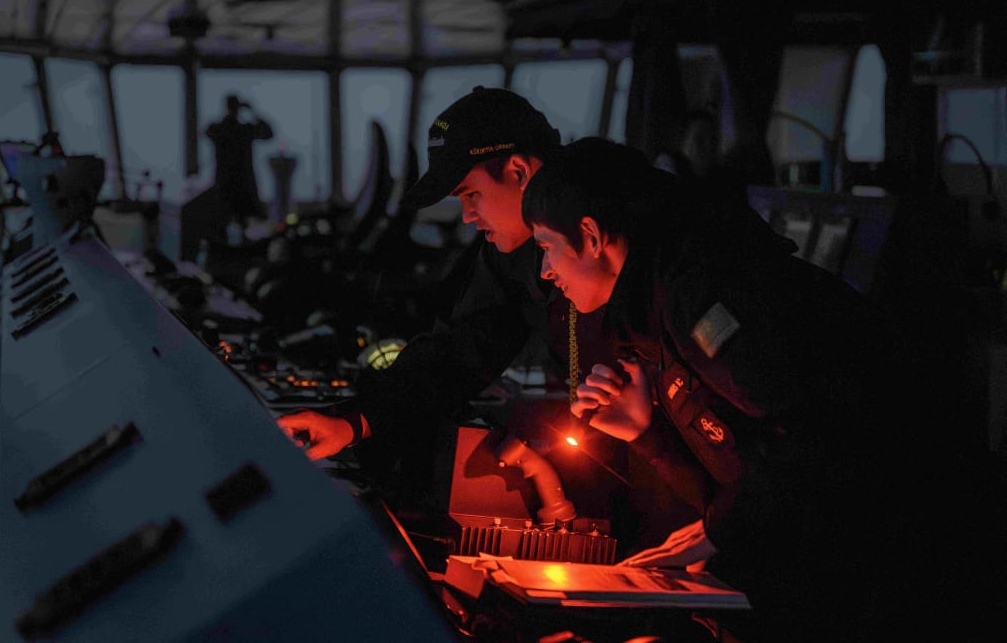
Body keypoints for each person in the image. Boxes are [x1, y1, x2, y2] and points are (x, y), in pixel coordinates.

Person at [521, 136, 1005, 643]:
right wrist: (647, 433)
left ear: (591, 235)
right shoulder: (661, 311)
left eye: (547, 247)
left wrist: (721, 531)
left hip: (914, 568)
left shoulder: (705, 294)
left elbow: (816, 434)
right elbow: (750, 477)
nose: (546, 271)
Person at [275, 87, 701, 545]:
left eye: (471, 194)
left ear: (518, 171)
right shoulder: (512, 254)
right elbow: (460, 351)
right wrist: (354, 422)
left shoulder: (661, 244)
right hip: (639, 473)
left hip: (700, 486)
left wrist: (714, 527)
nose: (466, 216)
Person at [205, 93, 274, 231]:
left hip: (227, 182)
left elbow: (268, 134)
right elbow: (268, 133)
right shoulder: (244, 130)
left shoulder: (220, 129)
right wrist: (253, 112)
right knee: (238, 223)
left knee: (223, 223)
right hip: (241, 182)